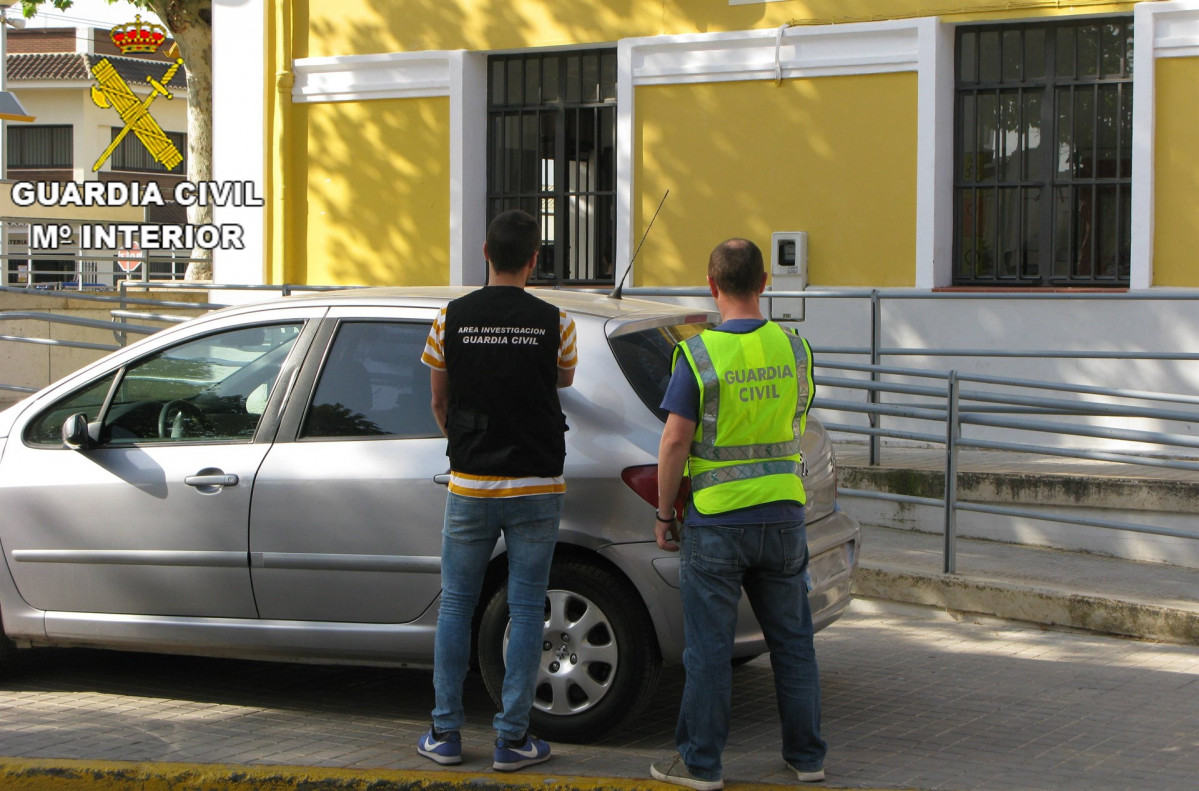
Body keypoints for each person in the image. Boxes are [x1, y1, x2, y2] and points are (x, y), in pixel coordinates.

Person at [649, 238, 826, 790]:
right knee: (793, 644)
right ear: (764, 283)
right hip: (784, 517)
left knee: (708, 651)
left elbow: (675, 442)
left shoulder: (699, 355)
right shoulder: (795, 350)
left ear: (712, 285)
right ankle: (808, 759)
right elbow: (795, 419)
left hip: (718, 522)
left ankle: (701, 765)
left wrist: (664, 513)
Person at [418, 209, 577, 772]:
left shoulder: (450, 318)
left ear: (485, 252)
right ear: (534, 260)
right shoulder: (557, 322)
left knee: (457, 605)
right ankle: (513, 739)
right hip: (537, 482)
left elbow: (439, 400)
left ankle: (445, 734)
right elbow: (563, 379)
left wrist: (465, 444)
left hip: (471, 484)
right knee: (528, 608)